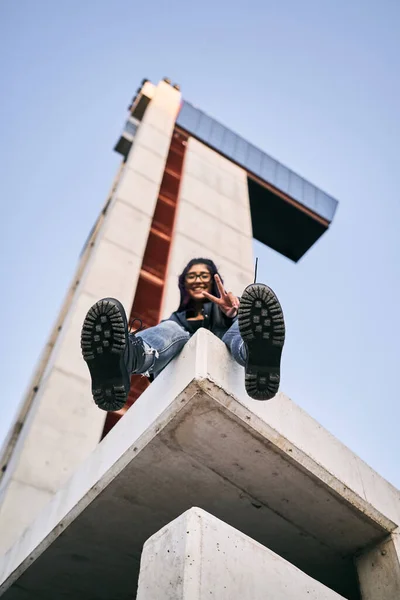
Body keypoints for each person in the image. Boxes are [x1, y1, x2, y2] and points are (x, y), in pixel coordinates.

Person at [81, 258, 285, 411]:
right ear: (185, 285)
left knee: (244, 322)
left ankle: (255, 356)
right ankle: (128, 357)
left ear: (214, 282)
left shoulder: (230, 310)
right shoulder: (176, 320)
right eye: (192, 276)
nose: (197, 280)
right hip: (171, 368)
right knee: (171, 329)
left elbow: (246, 319)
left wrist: (233, 311)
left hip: (234, 362)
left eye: (204, 276)